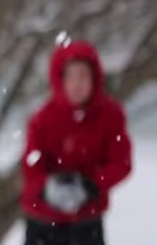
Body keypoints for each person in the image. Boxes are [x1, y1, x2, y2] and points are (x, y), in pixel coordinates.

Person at [20, 40, 133, 245]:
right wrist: (46, 187)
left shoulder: (110, 116)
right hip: (43, 220)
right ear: (59, 79)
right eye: (69, 76)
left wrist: (93, 184)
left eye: (82, 75)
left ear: (95, 77)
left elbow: (121, 163)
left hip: (86, 222)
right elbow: (30, 167)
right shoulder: (42, 119)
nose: (76, 83)